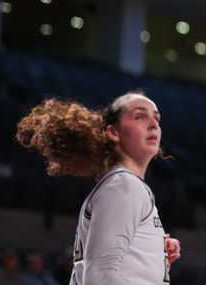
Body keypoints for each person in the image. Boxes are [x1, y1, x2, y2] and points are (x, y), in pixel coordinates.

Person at [16, 92, 182, 285]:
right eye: (140, 116)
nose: (154, 124)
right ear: (113, 132)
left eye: (156, 118)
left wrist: (151, 255)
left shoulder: (123, 185)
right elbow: (99, 277)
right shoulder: (124, 186)